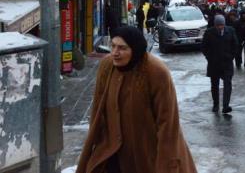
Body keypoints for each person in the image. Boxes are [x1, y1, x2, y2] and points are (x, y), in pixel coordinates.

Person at [76, 27, 196, 173]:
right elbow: (98, 110)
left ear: (135, 49)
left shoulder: (156, 72)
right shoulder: (107, 66)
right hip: (111, 153)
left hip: (147, 156)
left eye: (122, 48)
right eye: (113, 46)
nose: (115, 53)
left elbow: (168, 125)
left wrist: (167, 165)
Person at [202, 15, 239, 114]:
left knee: (227, 83)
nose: (220, 27)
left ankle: (226, 105)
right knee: (214, 85)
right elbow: (204, 47)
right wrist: (209, 57)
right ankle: (216, 104)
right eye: (218, 25)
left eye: (221, 25)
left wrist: (231, 56)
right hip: (214, 63)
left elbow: (235, 45)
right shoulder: (209, 32)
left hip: (227, 63)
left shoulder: (230, 31)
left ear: (224, 24)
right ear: (215, 25)